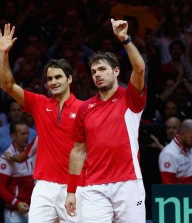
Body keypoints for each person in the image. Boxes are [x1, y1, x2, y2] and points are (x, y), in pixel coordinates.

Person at [0, 23, 83, 222]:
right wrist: (3, 53)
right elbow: (7, 85)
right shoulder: (39, 103)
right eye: (49, 78)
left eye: (58, 77)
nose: (53, 82)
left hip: (75, 186)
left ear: (69, 79)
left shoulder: (83, 108)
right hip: (44, 186)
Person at [65, 18, 146, 222]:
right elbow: (77, 150)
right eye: (93, 72)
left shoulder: (131, 98)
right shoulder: (84, 108)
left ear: (116, 71)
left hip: (128, 182)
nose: (97, 75)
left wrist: (125, 39)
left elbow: (139, 69)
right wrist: (71, 191)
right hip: (94, 186)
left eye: (102, 69)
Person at [0, 121, 35, 223]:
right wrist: (16, 203)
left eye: (27, 133)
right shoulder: (6, 158)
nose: (26, 137)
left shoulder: (30, 154)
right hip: (15, 211)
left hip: (31, 209)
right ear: (13, 136)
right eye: (23, 134)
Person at [158, 119, 192, 184]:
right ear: (182, 134)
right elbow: (168, 185)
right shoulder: (168, 153)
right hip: (179, 193)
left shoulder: (191, 149)